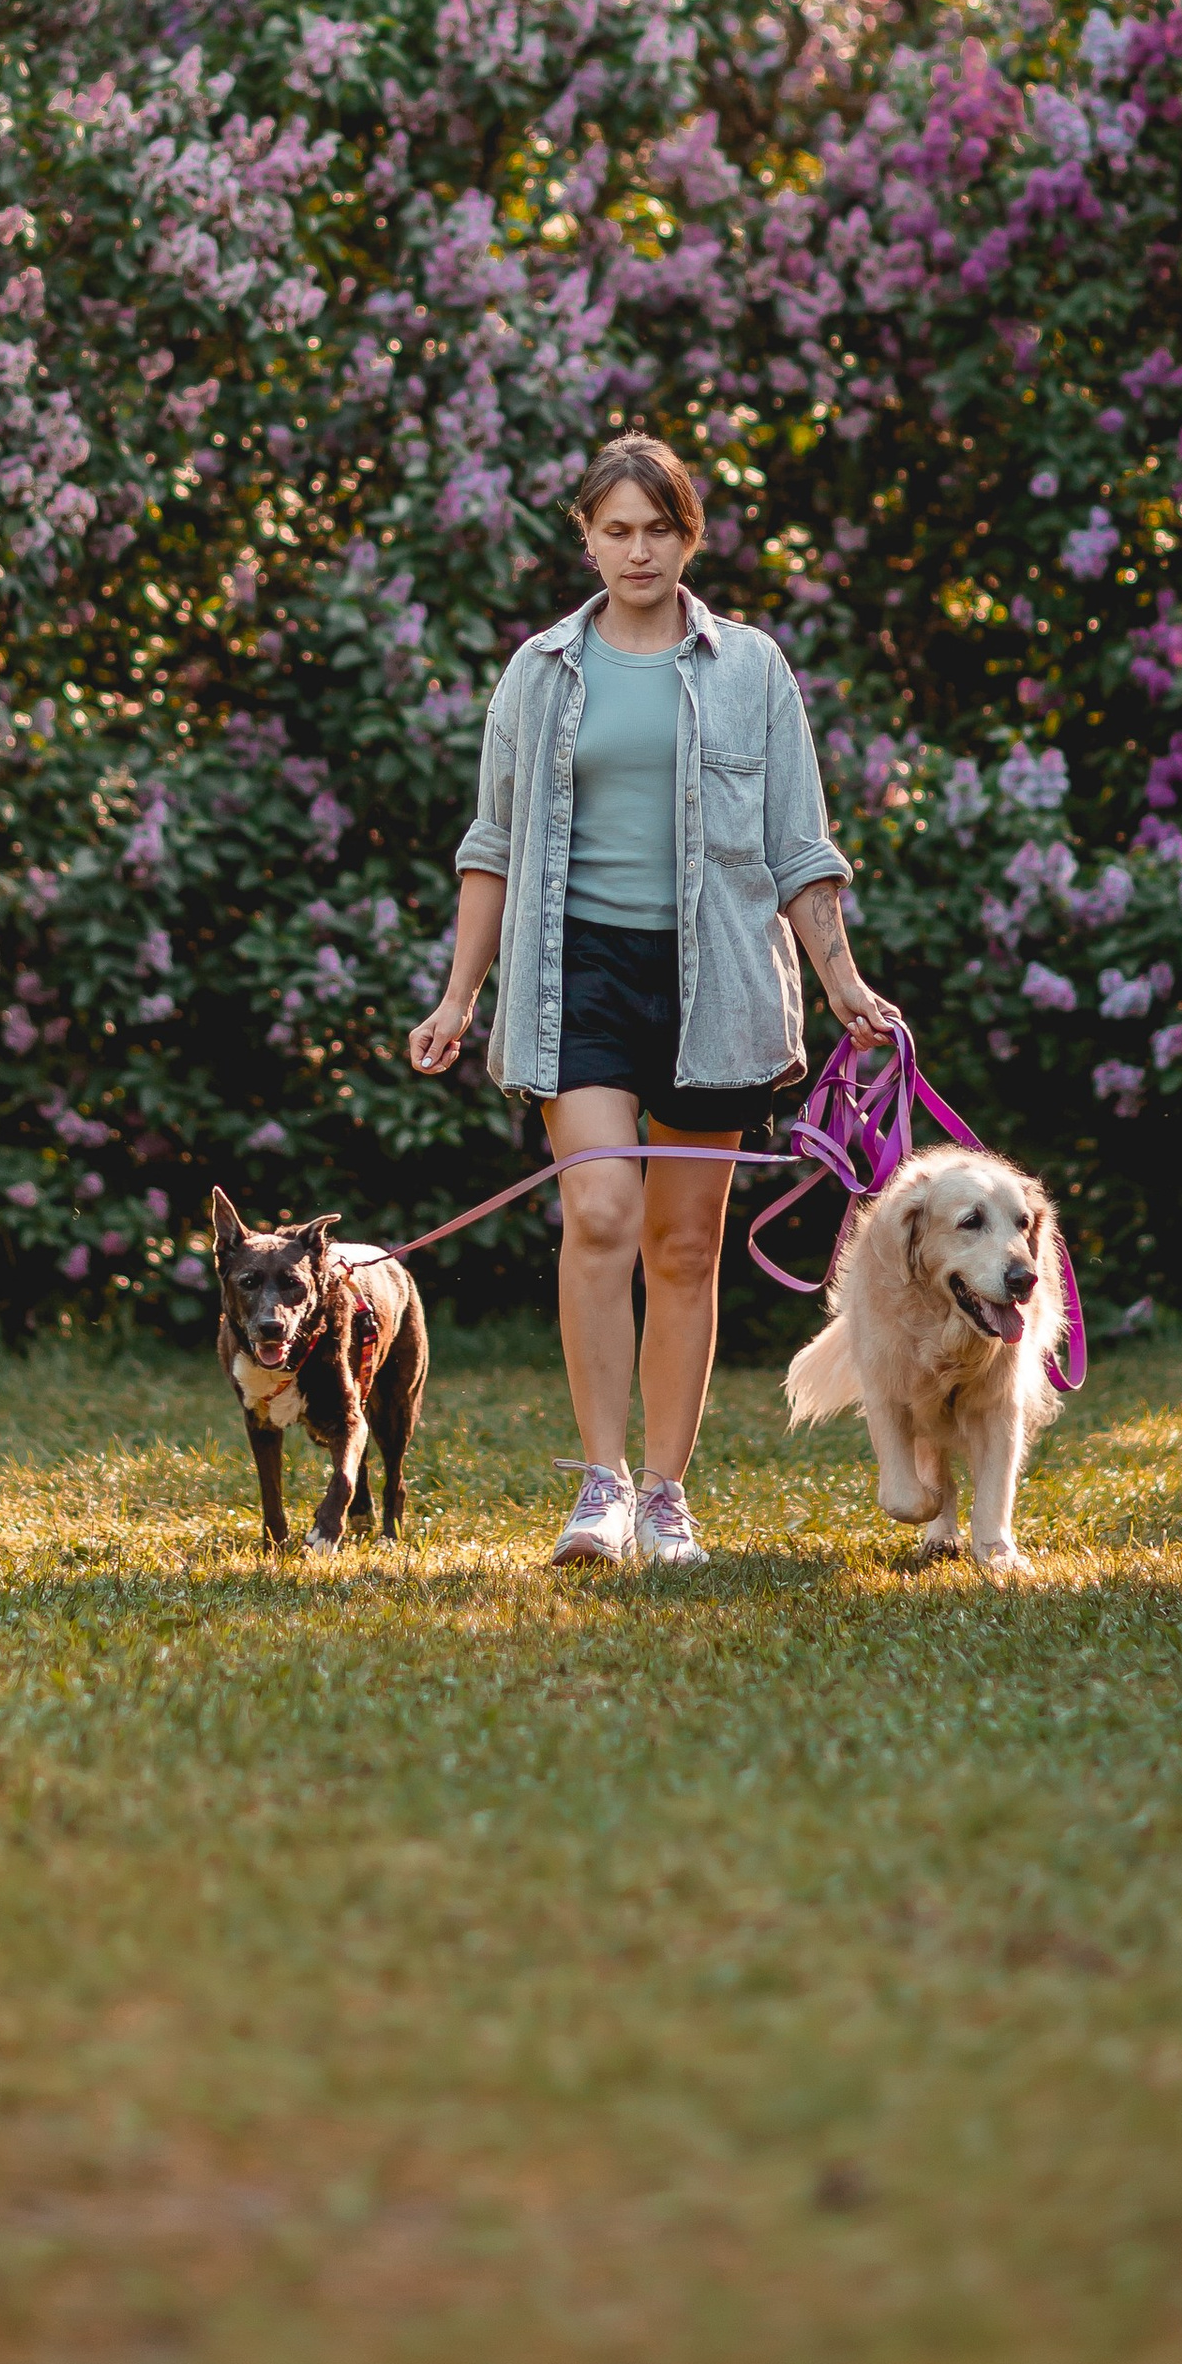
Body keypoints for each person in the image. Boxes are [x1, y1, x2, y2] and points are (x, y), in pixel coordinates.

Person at [407, 432, 904, 1567]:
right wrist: (456, 998)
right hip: (573, 975)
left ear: (689, 536)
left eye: (658, 529)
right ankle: (599, 1487)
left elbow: (799, 848)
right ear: (584, 536)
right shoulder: (539, 672)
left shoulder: (751, 669)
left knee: (683, 1250)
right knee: (599, 1216)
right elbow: (490, 844)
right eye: (615, 530)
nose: (637, 551)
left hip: (715, 983)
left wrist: (843, 984)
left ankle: (668, 1497)